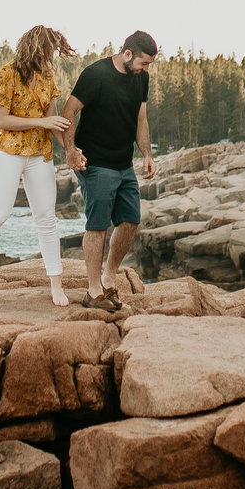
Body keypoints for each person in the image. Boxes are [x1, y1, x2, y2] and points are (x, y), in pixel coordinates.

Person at [0, 25, 76, 305]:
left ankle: (56, 285)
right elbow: (1, 121)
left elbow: (52, 119)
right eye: (47, 52)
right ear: (33, 49)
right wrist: (41, 123)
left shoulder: (47, 77)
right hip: (8, 151)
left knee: (46, 218)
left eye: (52, 53)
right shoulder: (7, 73)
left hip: (39, 154)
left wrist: (72, 148)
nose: (50, 58)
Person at [63, 30, 158, 300]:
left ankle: (109, 275)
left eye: (149, 64)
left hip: (123, 163)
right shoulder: (95, 75)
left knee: (129, 221)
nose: (146, 68)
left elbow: (141, 118)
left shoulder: (142, 78)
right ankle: (93, 290)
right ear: (127, 54)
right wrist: (70, 151)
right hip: (95, 164)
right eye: (143, 62)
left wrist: (147, 154)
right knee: (98, 226)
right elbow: (68, 112)